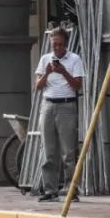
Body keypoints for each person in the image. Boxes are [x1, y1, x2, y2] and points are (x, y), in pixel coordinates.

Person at [33, 27, 84, 202]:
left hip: (66, 105)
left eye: (60, 45)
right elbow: (38, 87)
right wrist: (47, 72)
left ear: (66, 44)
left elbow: (78, 85)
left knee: (69, 152)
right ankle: (50, 189)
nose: (57, 48)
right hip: (47, 105)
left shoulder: (75, 59)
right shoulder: (45, 59)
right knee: (49, 151)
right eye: (54, 44)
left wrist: (63, 72)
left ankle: (71, 189)